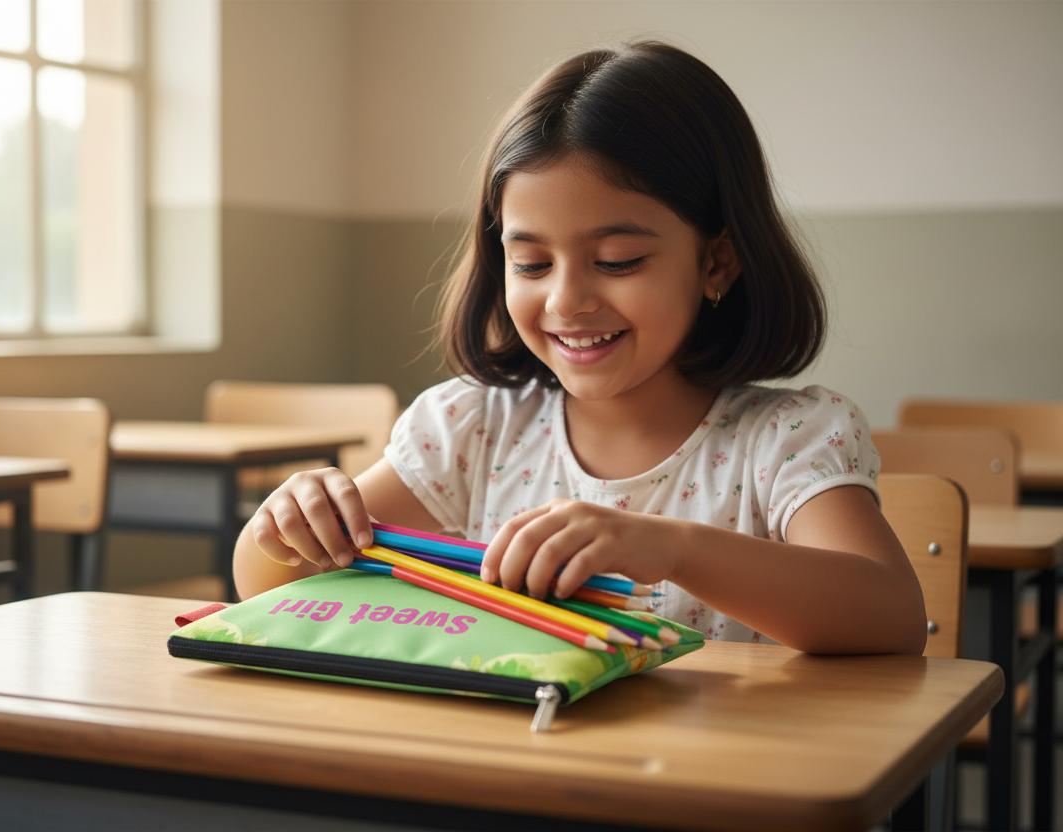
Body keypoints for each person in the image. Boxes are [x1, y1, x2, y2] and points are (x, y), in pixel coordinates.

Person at [232, 40, 926, 655]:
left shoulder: (786, 438)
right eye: (532, 265)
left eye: (618, 260)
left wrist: (668, 546)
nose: (567, 301)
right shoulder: (473, 429)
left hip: (713, 791)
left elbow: (891, 617)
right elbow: (264, 587)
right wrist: (289, 524)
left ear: (718, 263)